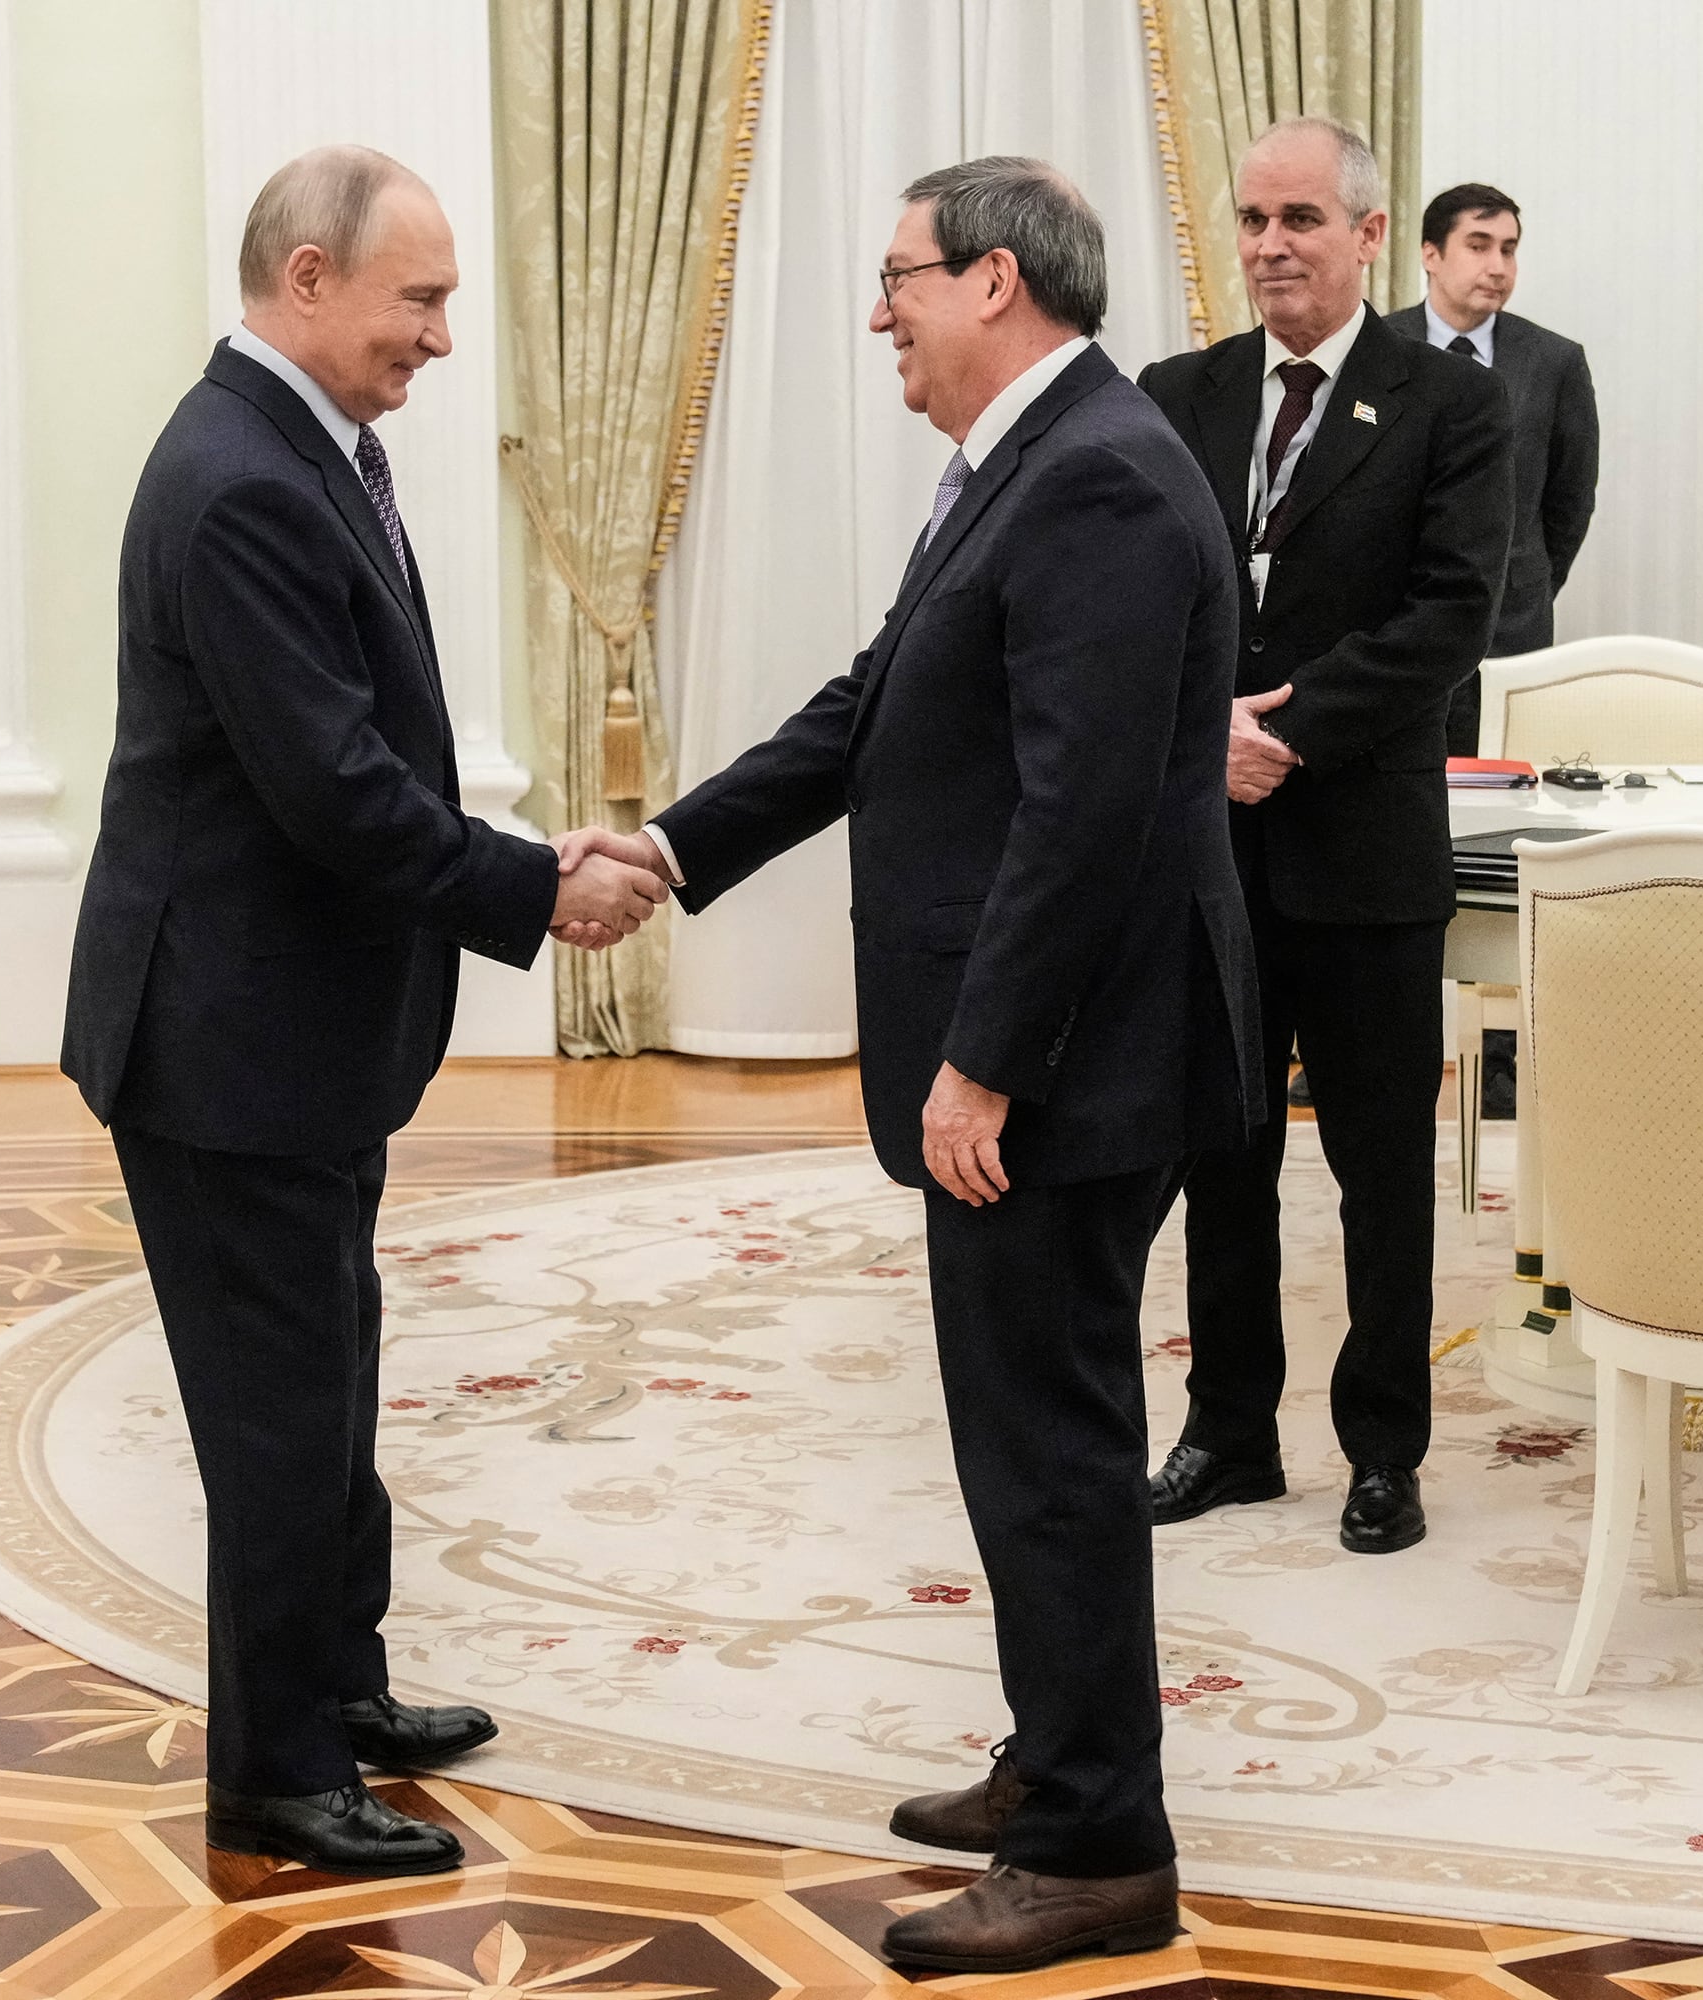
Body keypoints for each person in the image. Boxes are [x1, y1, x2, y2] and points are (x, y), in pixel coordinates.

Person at [564, 157, 1253, 1975]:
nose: (882, 314)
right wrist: (670, 849)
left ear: (997, 283)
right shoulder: (1030, 463)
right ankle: (1055, 1760)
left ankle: (1103, 1851)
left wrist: (986, 1065)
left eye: (899, 281)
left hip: (1074, 1062)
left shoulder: (1093, 475)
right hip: (1071, 1046)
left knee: (1051, 1449)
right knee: (1023, 1430)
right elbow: (874, 710)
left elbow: (1083, 817)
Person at [61, 145, 669, 1877]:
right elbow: (330, 787)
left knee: (329, 1372)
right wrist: (533, 884)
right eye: (423, 298)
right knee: (277, 1407)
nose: (442, 337)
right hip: (226, 1037)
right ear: (308, 278)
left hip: (287, 1031)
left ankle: (339, 1681)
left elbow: (350, 759)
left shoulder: (311, 450)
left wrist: (509, 853)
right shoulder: (245, 478)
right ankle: (273, 1772)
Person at [1135, 119, 1514, 1557]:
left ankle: (1383, 1452)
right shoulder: (1181, 396)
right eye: (1250, 219)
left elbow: (1451, 613)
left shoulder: (1449, 404)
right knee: (1219, 1156)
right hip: (1210, 856)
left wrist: (1283, 732)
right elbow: (1141, 593)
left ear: (1367, 236)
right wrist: (1199, 735)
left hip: (1362, 847)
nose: (1272, 244)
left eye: (1300, 217)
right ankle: (1229, 1434)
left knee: (1376, 1168)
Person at [1419, 179, 1597, 1119]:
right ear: (1431, 255)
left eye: (1510, 248)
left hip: (1509, 638)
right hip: (1398, 639)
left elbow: (1569, 500)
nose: (1499, 265)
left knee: (1499, 844)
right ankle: (1369, 1040)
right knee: (1398, 833)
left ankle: (1496, 1058)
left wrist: (1527, 588)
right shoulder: (1385, 349)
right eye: (1481, 245)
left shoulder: (1551, 361)